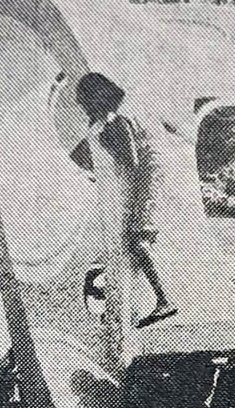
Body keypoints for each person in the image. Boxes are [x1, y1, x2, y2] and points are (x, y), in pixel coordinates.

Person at [74, 72, 176, 329]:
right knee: (135, 244)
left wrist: (128, 204)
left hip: (145, 185)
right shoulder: (108, 125)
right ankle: (145, 300)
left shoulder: (117, 124)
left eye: (84, 100)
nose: (81, 104)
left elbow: (131, 164)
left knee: (139, 241)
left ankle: (165, 299)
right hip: (142, 183)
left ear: (96, 99)